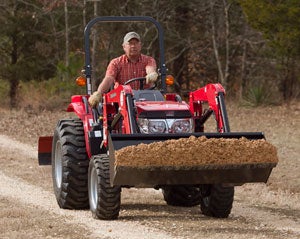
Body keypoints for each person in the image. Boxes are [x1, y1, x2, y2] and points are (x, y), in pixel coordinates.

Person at [88, 31, 158, 107]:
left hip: (145, 98)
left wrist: (151, 74)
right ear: (124, 46)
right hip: (122, 99)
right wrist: (99, 93)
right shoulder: (116, 63)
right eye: (130, 43)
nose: (133, 46)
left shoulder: (148, 60)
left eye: (135, 43)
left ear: (140, 46)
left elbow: (150, 68)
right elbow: (109, 79)